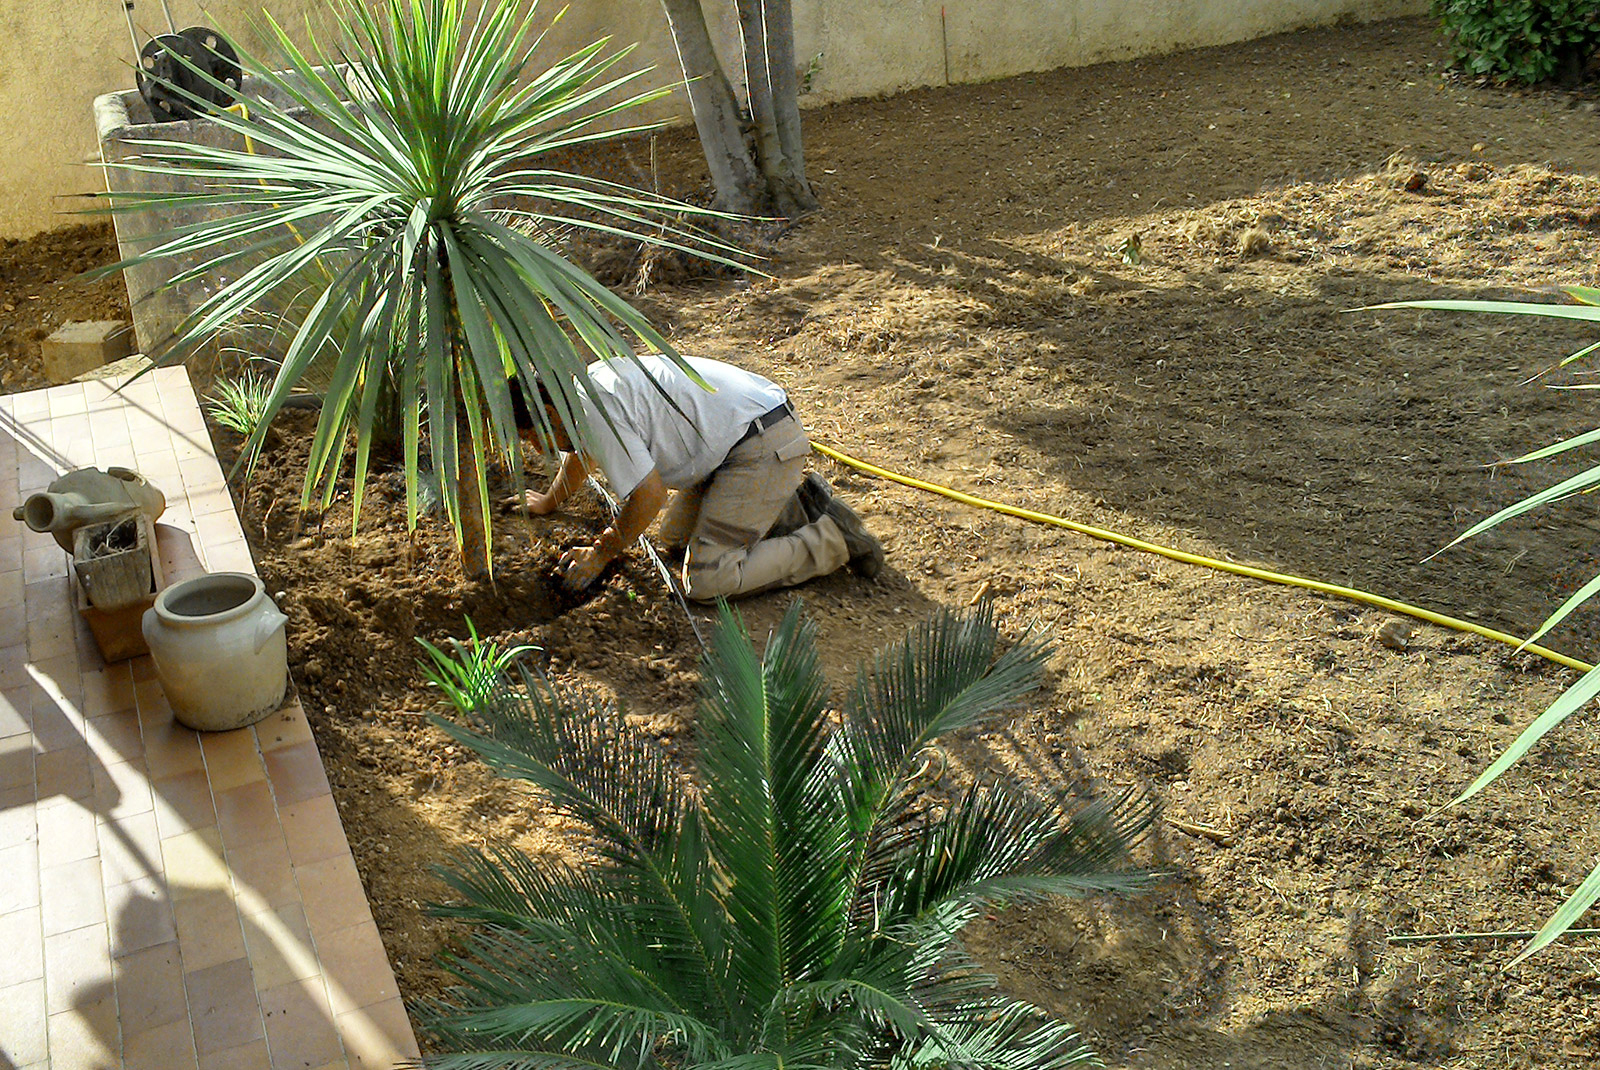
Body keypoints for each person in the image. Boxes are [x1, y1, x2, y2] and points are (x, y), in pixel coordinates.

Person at [513, 354, 884, 601]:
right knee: (674, 540)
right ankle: (797, 505)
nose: (532, 445)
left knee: (707, 579)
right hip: (734, 443)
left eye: (530, 434)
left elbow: (649, 497)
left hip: (760, 443)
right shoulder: (582, 391)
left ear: (548, 411)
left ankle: (832, 538)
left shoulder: (595, 410)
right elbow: (585, 454)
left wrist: (600, 553)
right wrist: (550, 501)